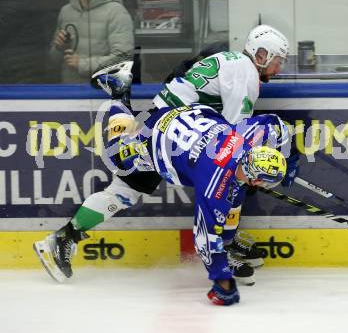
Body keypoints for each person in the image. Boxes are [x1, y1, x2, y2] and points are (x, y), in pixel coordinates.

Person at [34, 24, 299, 285]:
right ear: (261, 55)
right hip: (174, 129)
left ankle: (64, 237)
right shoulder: (247, 75)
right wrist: (255, 171)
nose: (279, 68)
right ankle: (225, 245)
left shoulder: (231, 60)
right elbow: (231, 143)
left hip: (167, 120)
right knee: (232, 176)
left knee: (125, 189)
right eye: (277, 60)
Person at [36, 102, 288, 306]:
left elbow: (275, 125)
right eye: (264, 183)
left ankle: (230, 243)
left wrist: (286, 159)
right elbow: (205, 238)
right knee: (122, 184)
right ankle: (118, 99)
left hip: (182, 118)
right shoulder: (216, 182)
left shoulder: (247, 137)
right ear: (257, 175)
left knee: (236, 187)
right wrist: (222, 281)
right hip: (150, 144)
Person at [48, 0, 134, 83]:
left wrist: (83, 64)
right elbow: (53, 61)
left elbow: (123, 57)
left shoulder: (116, 12)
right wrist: (59, 47)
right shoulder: (66, 12)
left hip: (102, 91)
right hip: (70, 91)